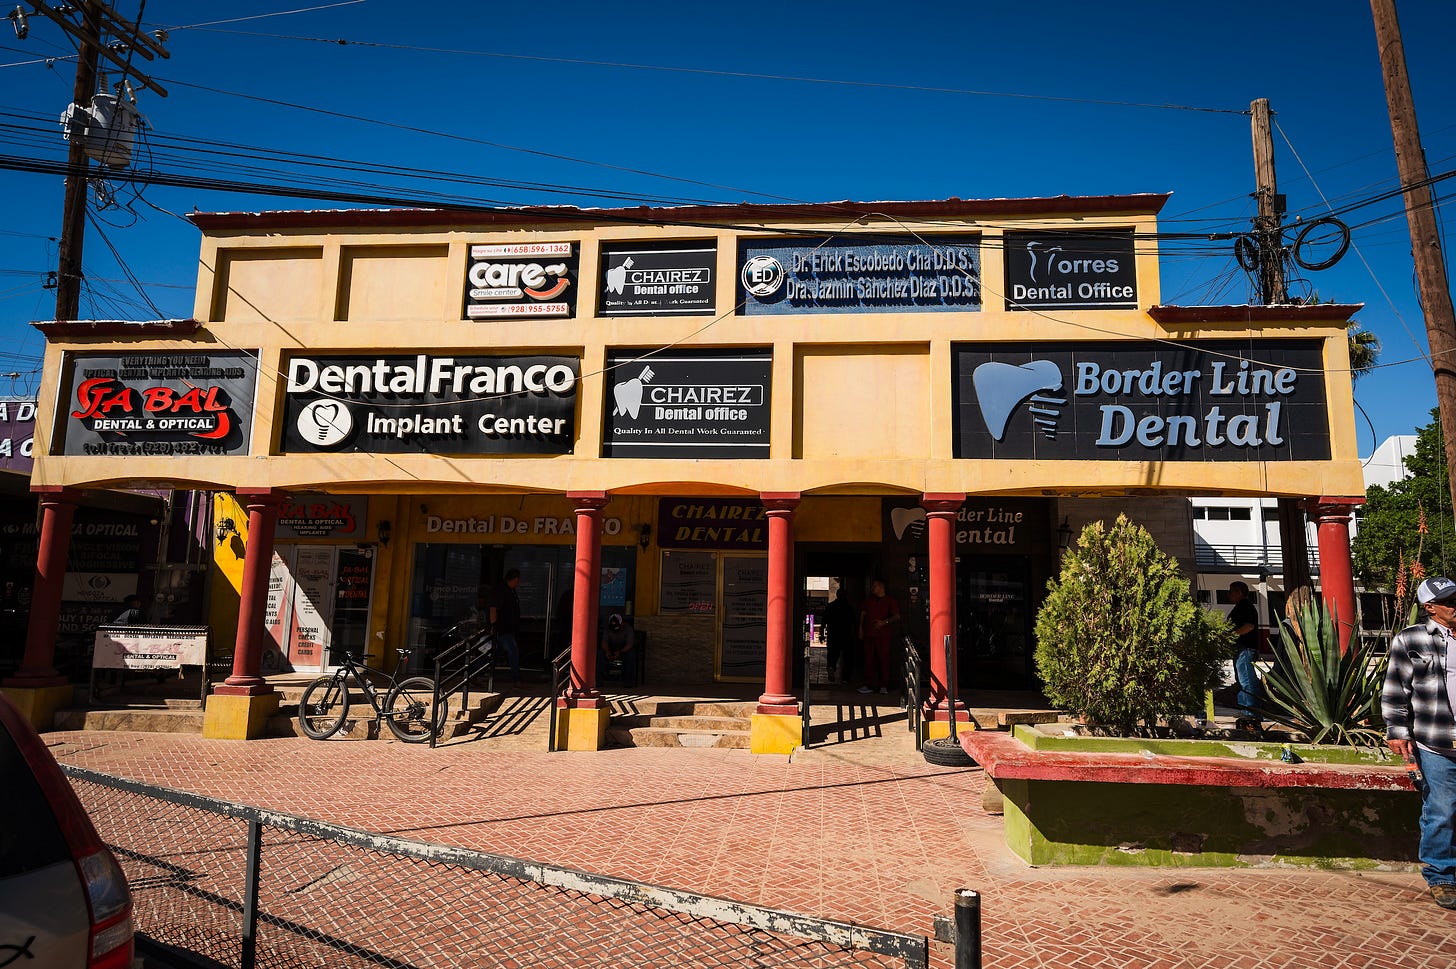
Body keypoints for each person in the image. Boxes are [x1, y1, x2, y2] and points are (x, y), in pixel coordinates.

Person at [1383, 575, 1456, 910]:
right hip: (1435, 740)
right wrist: (1397, 730)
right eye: (1449, 602)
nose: (1455, 607)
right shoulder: (1410, 639)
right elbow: (1396, 688)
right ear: (1430, 607)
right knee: (1442, 809)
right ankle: (1442, 875)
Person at [1227, 581, 1262, 732]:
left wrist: (1231, 635)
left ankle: (1251, 712)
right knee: (1242, 679)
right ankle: (1245, 709)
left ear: (1239, 592)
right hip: (1241, 648)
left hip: (1245, 648)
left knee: (1247, 679)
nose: (1229, 595)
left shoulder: (1245, 606)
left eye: (1231, 591)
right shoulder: (1241, 606)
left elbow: (1249, 626)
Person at [858, 579, 900, 695]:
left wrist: (884, 622)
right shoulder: (869, 600)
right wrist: (860, 628)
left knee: (883, 659)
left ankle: (883, 685)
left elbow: (897, 616)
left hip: (883, 635)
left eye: (875, 586)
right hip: (869, 634)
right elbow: (863, 613)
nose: (873, 588)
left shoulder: (890, 601)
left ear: (881, 587)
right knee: (869, 659)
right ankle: (868, 684)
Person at [488, 568, 523, 686]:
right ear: (513, 579)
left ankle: (472, 672)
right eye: (517, 580)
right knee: (513, 651)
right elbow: (493, 608)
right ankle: (516, 679)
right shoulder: (501, 590)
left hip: (507, 628)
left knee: (494, 653)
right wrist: (494, 625)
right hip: (503, 629)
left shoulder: (510, 591)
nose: (518, 583)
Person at [820, 585, 857, 685]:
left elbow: (823, 622)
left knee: (832, 654)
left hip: (833, 634)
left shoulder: (830, 606)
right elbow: (853, 624)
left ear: (837, 595)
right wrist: (854, 636)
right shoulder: (849, 608)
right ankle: (845, 678)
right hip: (846, 635)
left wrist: (821, 634)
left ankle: (831, 667)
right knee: (847, 657)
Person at [598, 612, 637, 684]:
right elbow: (604, 642)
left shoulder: (628, 629)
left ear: (621, 624)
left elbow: (630, 644)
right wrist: (607, 651)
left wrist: (620, 652)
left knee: (631, 655)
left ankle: (629, 680)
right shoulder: (607, 629)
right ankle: (600, 680)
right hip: (611, 649)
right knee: (600, 654)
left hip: (624, 650)